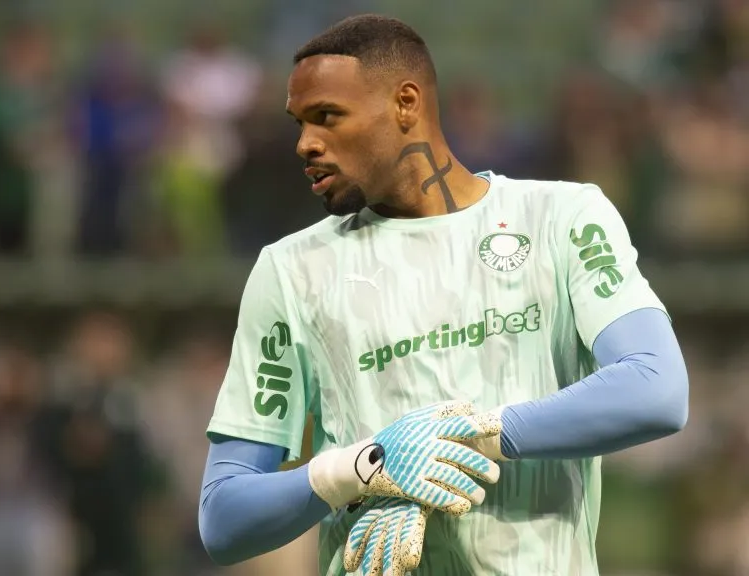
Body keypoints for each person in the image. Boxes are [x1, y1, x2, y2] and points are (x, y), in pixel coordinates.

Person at [198, 14, 688, 576]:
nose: (306, 143)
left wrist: (468, 437)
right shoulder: (289, 271)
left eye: (327, 117)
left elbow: (657, 387)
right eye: (299, 123)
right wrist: (363, 469)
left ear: (406, 104)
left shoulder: (562, 217)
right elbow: (223, 517)